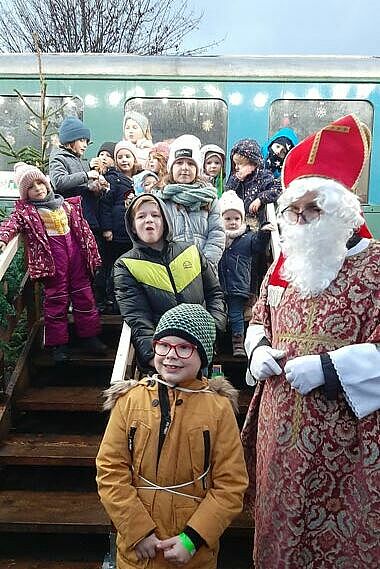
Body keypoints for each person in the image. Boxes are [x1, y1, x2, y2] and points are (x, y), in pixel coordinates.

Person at [241, 114, 380, 568]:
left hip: (348, 440)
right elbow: (260, 313)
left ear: (341, 211)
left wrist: (329, 369)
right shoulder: (288, 262)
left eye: (312, 210)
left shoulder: (375, 266)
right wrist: (257, 347)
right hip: (280, 434)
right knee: (277, 536)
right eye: (292, 212)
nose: (299, 221)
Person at [96, 303, 248, 569]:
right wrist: (137, 532)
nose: (170, 356)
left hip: (193, 555)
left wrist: (192, 539)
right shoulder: (130, 400)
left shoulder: (218, 409)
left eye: (184, 347)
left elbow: (231, 485)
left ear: (203, 354)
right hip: (137, 553)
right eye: (163, 345)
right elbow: (110, 469)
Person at [0, 162, 107, 363]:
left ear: (47, 184)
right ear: (25, 193)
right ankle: (58, 344)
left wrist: (92, 255)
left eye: (40, 183)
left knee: (84, 296)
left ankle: (89, 337)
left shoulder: (65, 204)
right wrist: (3, 239)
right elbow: (10, 223)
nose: (38, 188)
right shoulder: (28, 213)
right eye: (31, 187)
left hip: (76, 258)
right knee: (56, 300)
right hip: (53, 262)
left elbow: (83, 232)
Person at [114, 193, 226, 372]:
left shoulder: (191, 251)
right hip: (165, 358)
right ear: (133, 227)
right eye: (141, 216)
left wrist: (213, 330)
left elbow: (215, 294)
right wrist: (154, 357)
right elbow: (137, 317)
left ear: (165, 220)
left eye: (155, 215)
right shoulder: (126, 265)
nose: (149, 220)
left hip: (200, 349)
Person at [218, 190, 272, 357]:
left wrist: (264, 232)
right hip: (218, 285)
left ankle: (238, 343)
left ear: (242, 219)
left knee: (235, 314)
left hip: (237, 284)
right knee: (218, 315)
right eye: (227, 219)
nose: (232, 222)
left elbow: (258, 246)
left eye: (236, 218)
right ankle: (215, 344)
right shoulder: (218, 238)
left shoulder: (248, 238)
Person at [160, 135, 225, 272]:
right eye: (179, 163)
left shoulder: (209, 197)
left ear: (198, 169)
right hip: (170, 271)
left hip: (203, 272)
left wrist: (205, 265)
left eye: (190, 163)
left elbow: (217, 234)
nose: (185, 168)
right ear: (170, 167)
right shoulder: (160, 198)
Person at [49, 116, 105, 235]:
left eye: (86, 141)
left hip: (85, 216)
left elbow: (81, 185)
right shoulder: (59, 158)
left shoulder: (79, 160)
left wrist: (95, 187)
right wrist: (86, 175)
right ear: (70, 140)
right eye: (81, 140)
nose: (85, 145)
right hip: (70, 218)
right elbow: (58, 182)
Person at [98, 141, 136, 313]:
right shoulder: (113, 179)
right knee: (112, 267)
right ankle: (109, 300)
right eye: (119, 157)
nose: (124, 160)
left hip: (132, 234)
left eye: (127, 156)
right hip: (116, 233)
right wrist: (107, 228)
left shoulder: (139, 180)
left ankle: (126, 301)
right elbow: (105, 204)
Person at [225, 138, 281, 226]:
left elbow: (277, 189)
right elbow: (228, 193)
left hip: (256, 225)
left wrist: (260, 199)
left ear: (253, 163)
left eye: (240, 164)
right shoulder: (235, 177)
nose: (236, 167)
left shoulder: (263, 176)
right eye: (235, 164)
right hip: (236, 223)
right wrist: (237, 179)